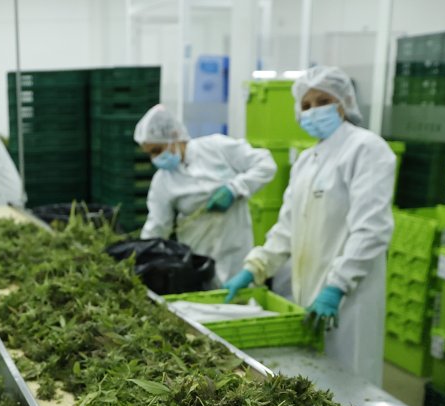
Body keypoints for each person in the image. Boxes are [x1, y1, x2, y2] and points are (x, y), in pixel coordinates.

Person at [223, 66, 396, 385]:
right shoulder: (307, 159)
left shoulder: (366, 149)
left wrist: (337, 286)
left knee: (350, 388)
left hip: (347, 297)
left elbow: (372, 228)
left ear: (344, 103)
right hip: (306, 295)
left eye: (323, 100)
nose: (314, 110)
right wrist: (256, 266)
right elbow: (287, 228)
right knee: (317, 386)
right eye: (306, 105)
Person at [134, 104, 277, 284]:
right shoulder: (162, 182)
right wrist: (140, 257)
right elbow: (157, 226)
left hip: (237, 250)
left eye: (157, 150)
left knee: (242, 302)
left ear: (174, 135)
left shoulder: (216, 147)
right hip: (200, 260)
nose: (154, 159)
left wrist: (235, 188)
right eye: (150, 154)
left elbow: (265, 165)